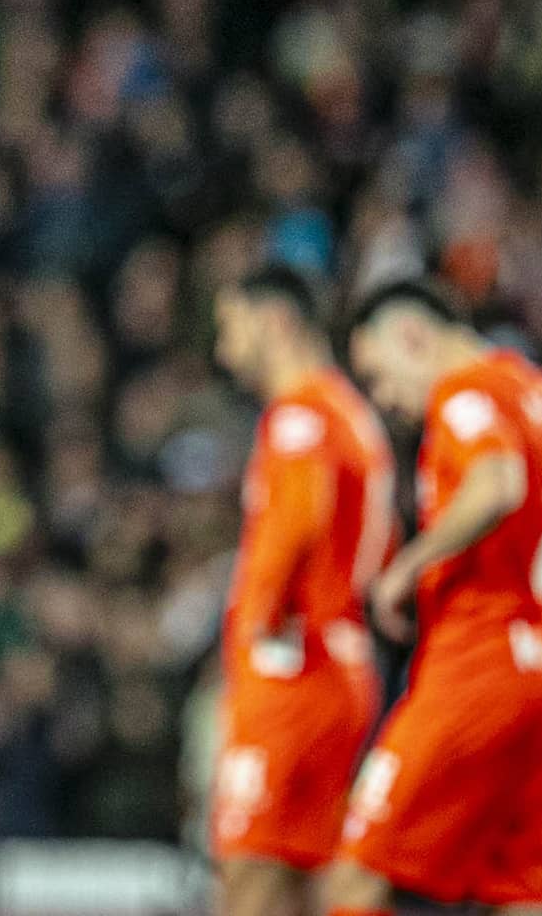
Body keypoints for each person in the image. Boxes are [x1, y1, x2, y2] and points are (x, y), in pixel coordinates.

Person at [325, 281, 542, 916]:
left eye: (379, 378)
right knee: (515, 893)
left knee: (356, 877)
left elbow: (498, 484)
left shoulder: (465, 393)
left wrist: (406, 569)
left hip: (477, 665)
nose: (387, 401)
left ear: (412, 336)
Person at [208, 266, 395, 916]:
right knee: (316, 884)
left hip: (294, 674)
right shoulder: (351, 415)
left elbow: (300, 518)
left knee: (248, 875)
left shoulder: (302, 417)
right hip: (341, 664)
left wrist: (258, 619)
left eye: (230, 326)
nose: (222, 347)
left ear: (275, 320)